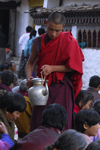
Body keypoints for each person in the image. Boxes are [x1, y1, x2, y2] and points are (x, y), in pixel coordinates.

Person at [26, 12, 84, 131]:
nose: (53, 34)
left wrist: (53, 68)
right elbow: (30, 63)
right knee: (41, 120)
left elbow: (74, 66)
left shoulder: (69, 41)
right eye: (50, 29)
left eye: (57, 31)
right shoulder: (38, 42)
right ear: (46, 24)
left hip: (61, 87)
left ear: (63, 26)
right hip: (41, 88)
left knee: (61, 119)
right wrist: (28, 78)